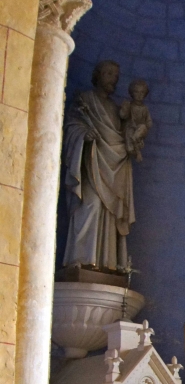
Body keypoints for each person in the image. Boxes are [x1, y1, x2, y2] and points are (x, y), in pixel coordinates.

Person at [62, 60, 149, 273]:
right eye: (109, 74)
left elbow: (121, 137)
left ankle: (106, 264)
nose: (114, 79)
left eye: (116, 76)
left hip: (113, 169)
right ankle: (80, 260)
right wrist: (84, 134)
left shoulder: (115, 109)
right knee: (89, 204)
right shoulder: (85, 100)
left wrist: (131, 140)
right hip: (91, 164)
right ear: (98, 75)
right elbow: (71, 126)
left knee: (109, 214)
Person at [119, 79, 152, 161]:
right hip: (130, 128)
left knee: (142, 127)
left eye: (142, 93)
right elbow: (123, 116)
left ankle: (136, 141)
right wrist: (124, 109)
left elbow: (148, 121)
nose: (139, 95)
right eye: (136, 92)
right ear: (132, 93)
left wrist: (148, 125)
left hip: (139, 129)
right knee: (130, 148)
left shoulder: (144, 108)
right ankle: (136, 150)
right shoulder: (129, 105)